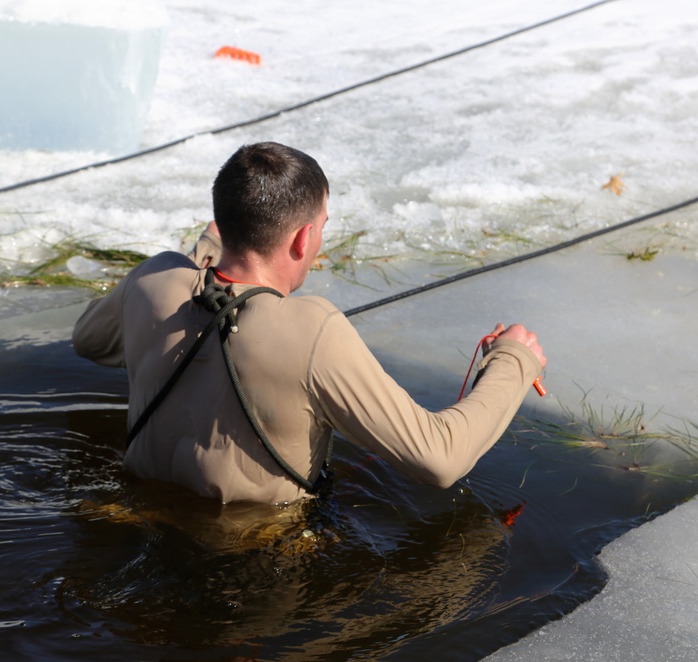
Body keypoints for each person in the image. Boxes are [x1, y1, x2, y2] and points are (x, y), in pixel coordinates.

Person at [72, 142, 546, 505]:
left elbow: (88, 341)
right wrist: (512, 360)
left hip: (141, 516)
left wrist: (199, 256)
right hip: (256, 566)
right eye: (322, 225)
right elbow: (440, 459)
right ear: (303, 238)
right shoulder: (312, 328)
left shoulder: (153, 281)